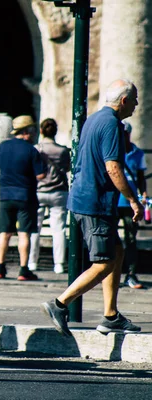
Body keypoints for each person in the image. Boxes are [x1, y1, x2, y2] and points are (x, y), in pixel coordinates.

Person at [41, 78, 143, 337]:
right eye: (134, 99)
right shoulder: (111, 125)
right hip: (94, 202)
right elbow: (113, 168)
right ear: (123, 101)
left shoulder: (95, 119)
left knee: (116, 253)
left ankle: (110, 316)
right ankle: (60, 304)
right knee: (103, 262)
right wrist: (132, 199)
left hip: (88, 200)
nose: (136, 103)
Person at [0, 115, 46, 281]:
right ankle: (24, 270)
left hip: (5, 194)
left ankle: (0, 268)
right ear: (27, 131)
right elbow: (41, 175)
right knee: (24, 234)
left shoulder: (3, 146)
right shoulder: (31, 150)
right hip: (25, 195)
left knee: (4, 233)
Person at [28, 118, 71, 274]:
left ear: (41, 131)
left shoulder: (35, 149)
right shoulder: (63, 151)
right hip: (59, 192)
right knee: (59, 229)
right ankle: (58, 264)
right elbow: (67, 168)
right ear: (55, 132)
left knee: (34, 229)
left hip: (38, 191)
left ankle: (32, 262)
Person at [116, 121, 147, 289]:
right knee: (110, 239)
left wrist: (144, 195)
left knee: (130, 239)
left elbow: (141, 177)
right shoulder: (112, 150)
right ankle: (112, 274)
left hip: (130, 203)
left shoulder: (137, 153)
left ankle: (131, 274)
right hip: (113, 201)